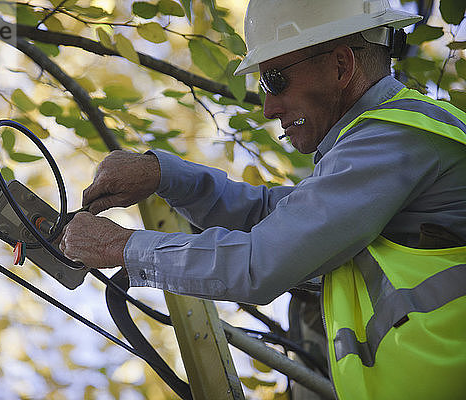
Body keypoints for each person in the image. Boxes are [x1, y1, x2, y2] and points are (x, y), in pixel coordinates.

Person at [60, 0, 466, 398]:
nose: (269, 107)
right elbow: (274, 219)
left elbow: (263, 260)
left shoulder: (394, 139)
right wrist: (164, 175)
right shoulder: (385, 147)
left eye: (274, 79)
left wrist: (119, 246)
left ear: (341, 66)